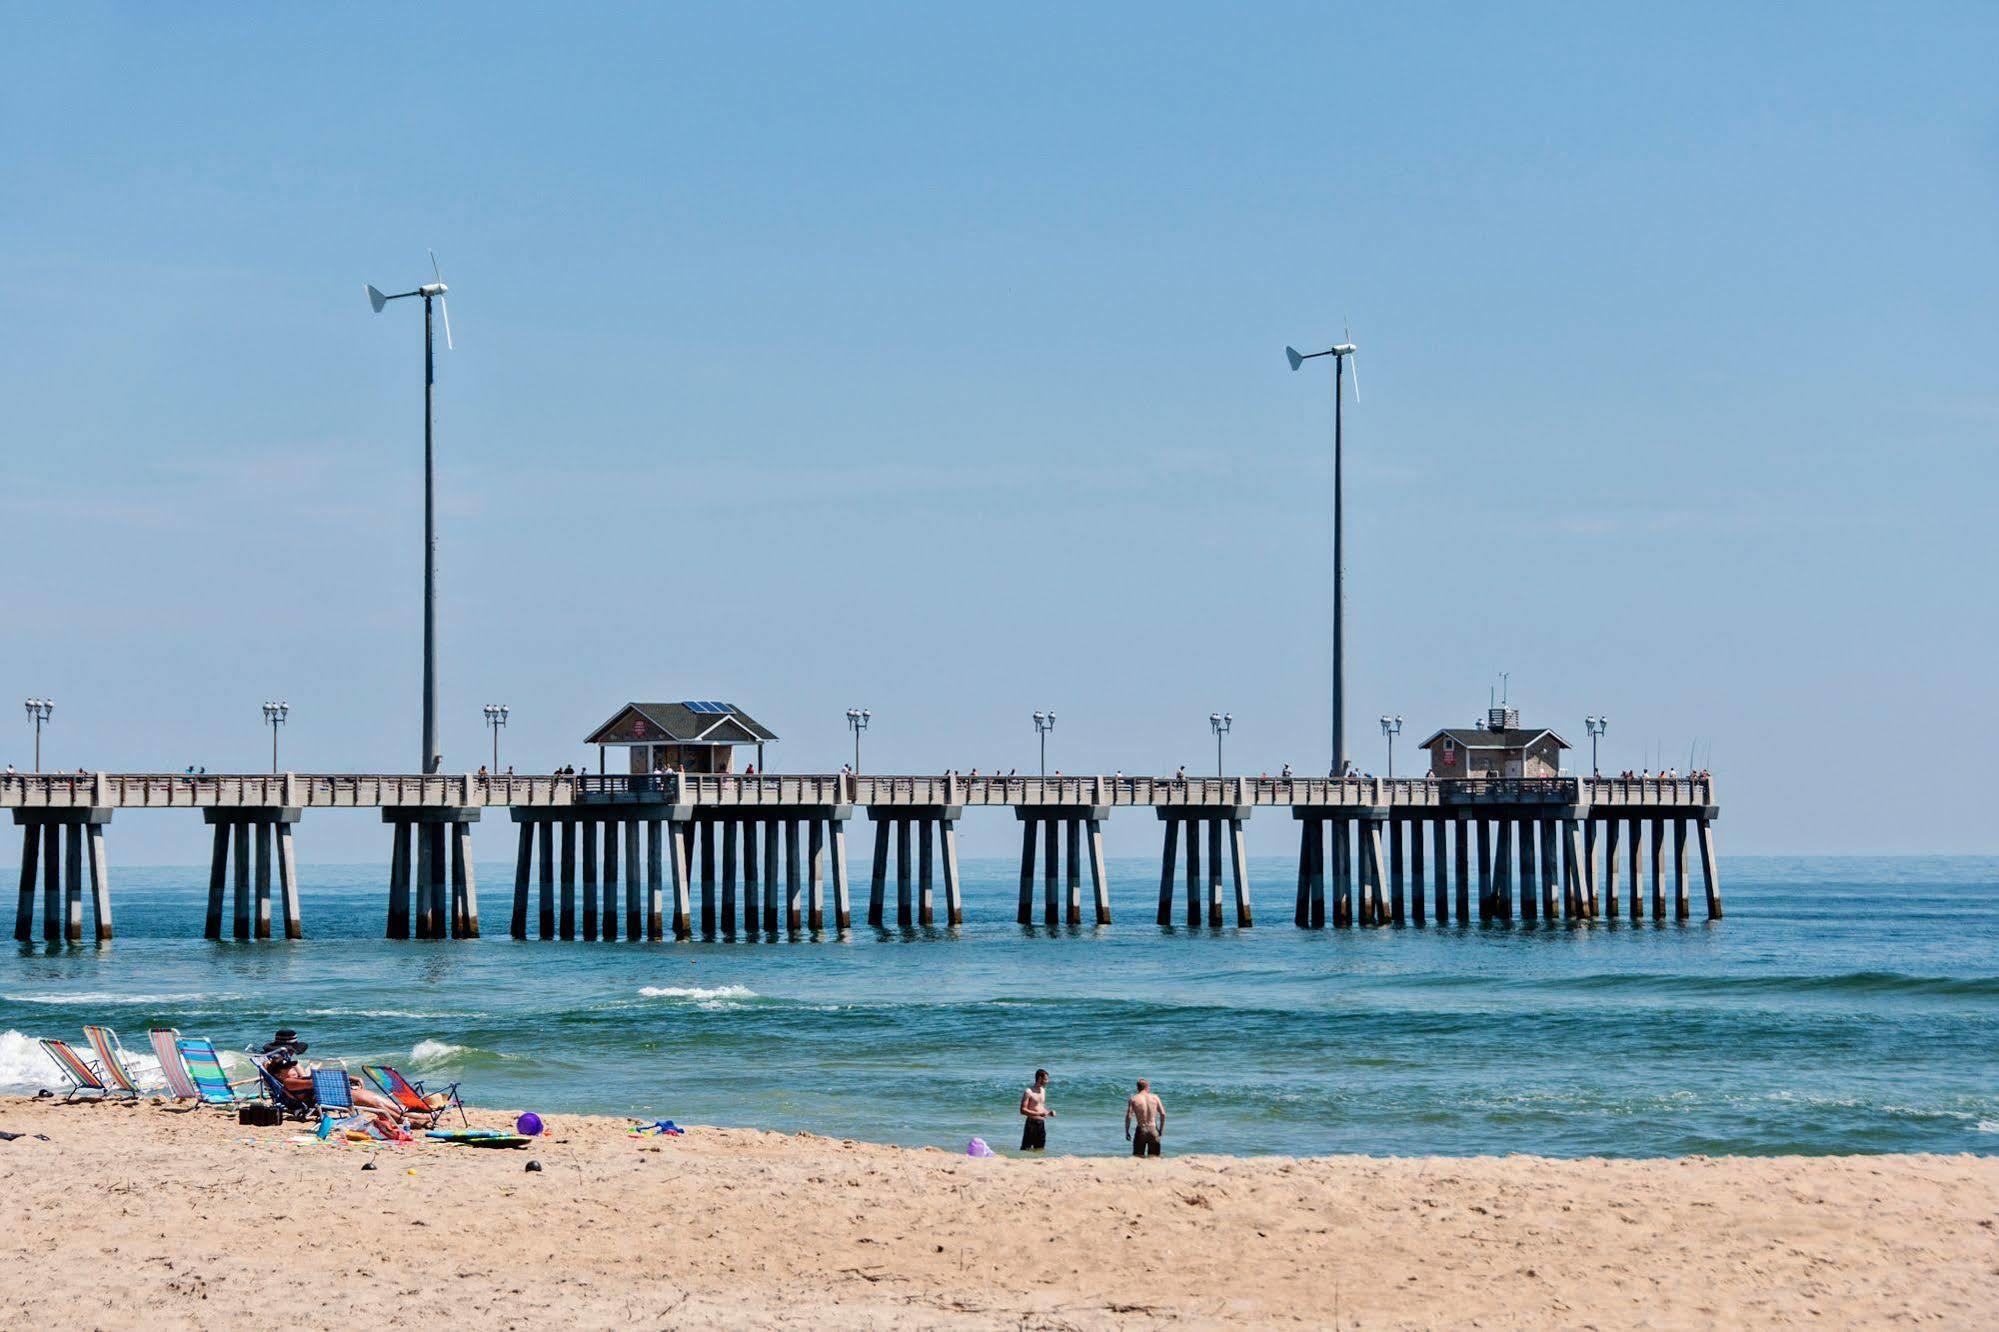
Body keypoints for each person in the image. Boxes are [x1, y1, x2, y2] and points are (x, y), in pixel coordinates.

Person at [1125, 1078, 1166, 1157]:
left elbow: (1129, 1116)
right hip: (1153, 1129)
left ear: (1137, 1088)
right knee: (1154, 1158)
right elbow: (1163, 1114)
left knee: (1138, 1157)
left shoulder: (1133, 1099)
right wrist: (1160, 1130)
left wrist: (1127, 1131)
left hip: (1141, 1130)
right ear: (1147, 1087)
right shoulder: (1155, 1097)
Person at [1018, 1068, 1054, 1151]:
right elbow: (1022, 1110)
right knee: (1026, 1149)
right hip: (1031, 1124)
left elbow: (1040, 1107)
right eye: (1046, 1079)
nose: (1047, 1081)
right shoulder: (1029, 1091)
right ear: (1040, 1079)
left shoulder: (1043, 1091)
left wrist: (1049, 1112)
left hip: (1041, 1124)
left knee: (1040, 1149)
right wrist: (1038, 1114)